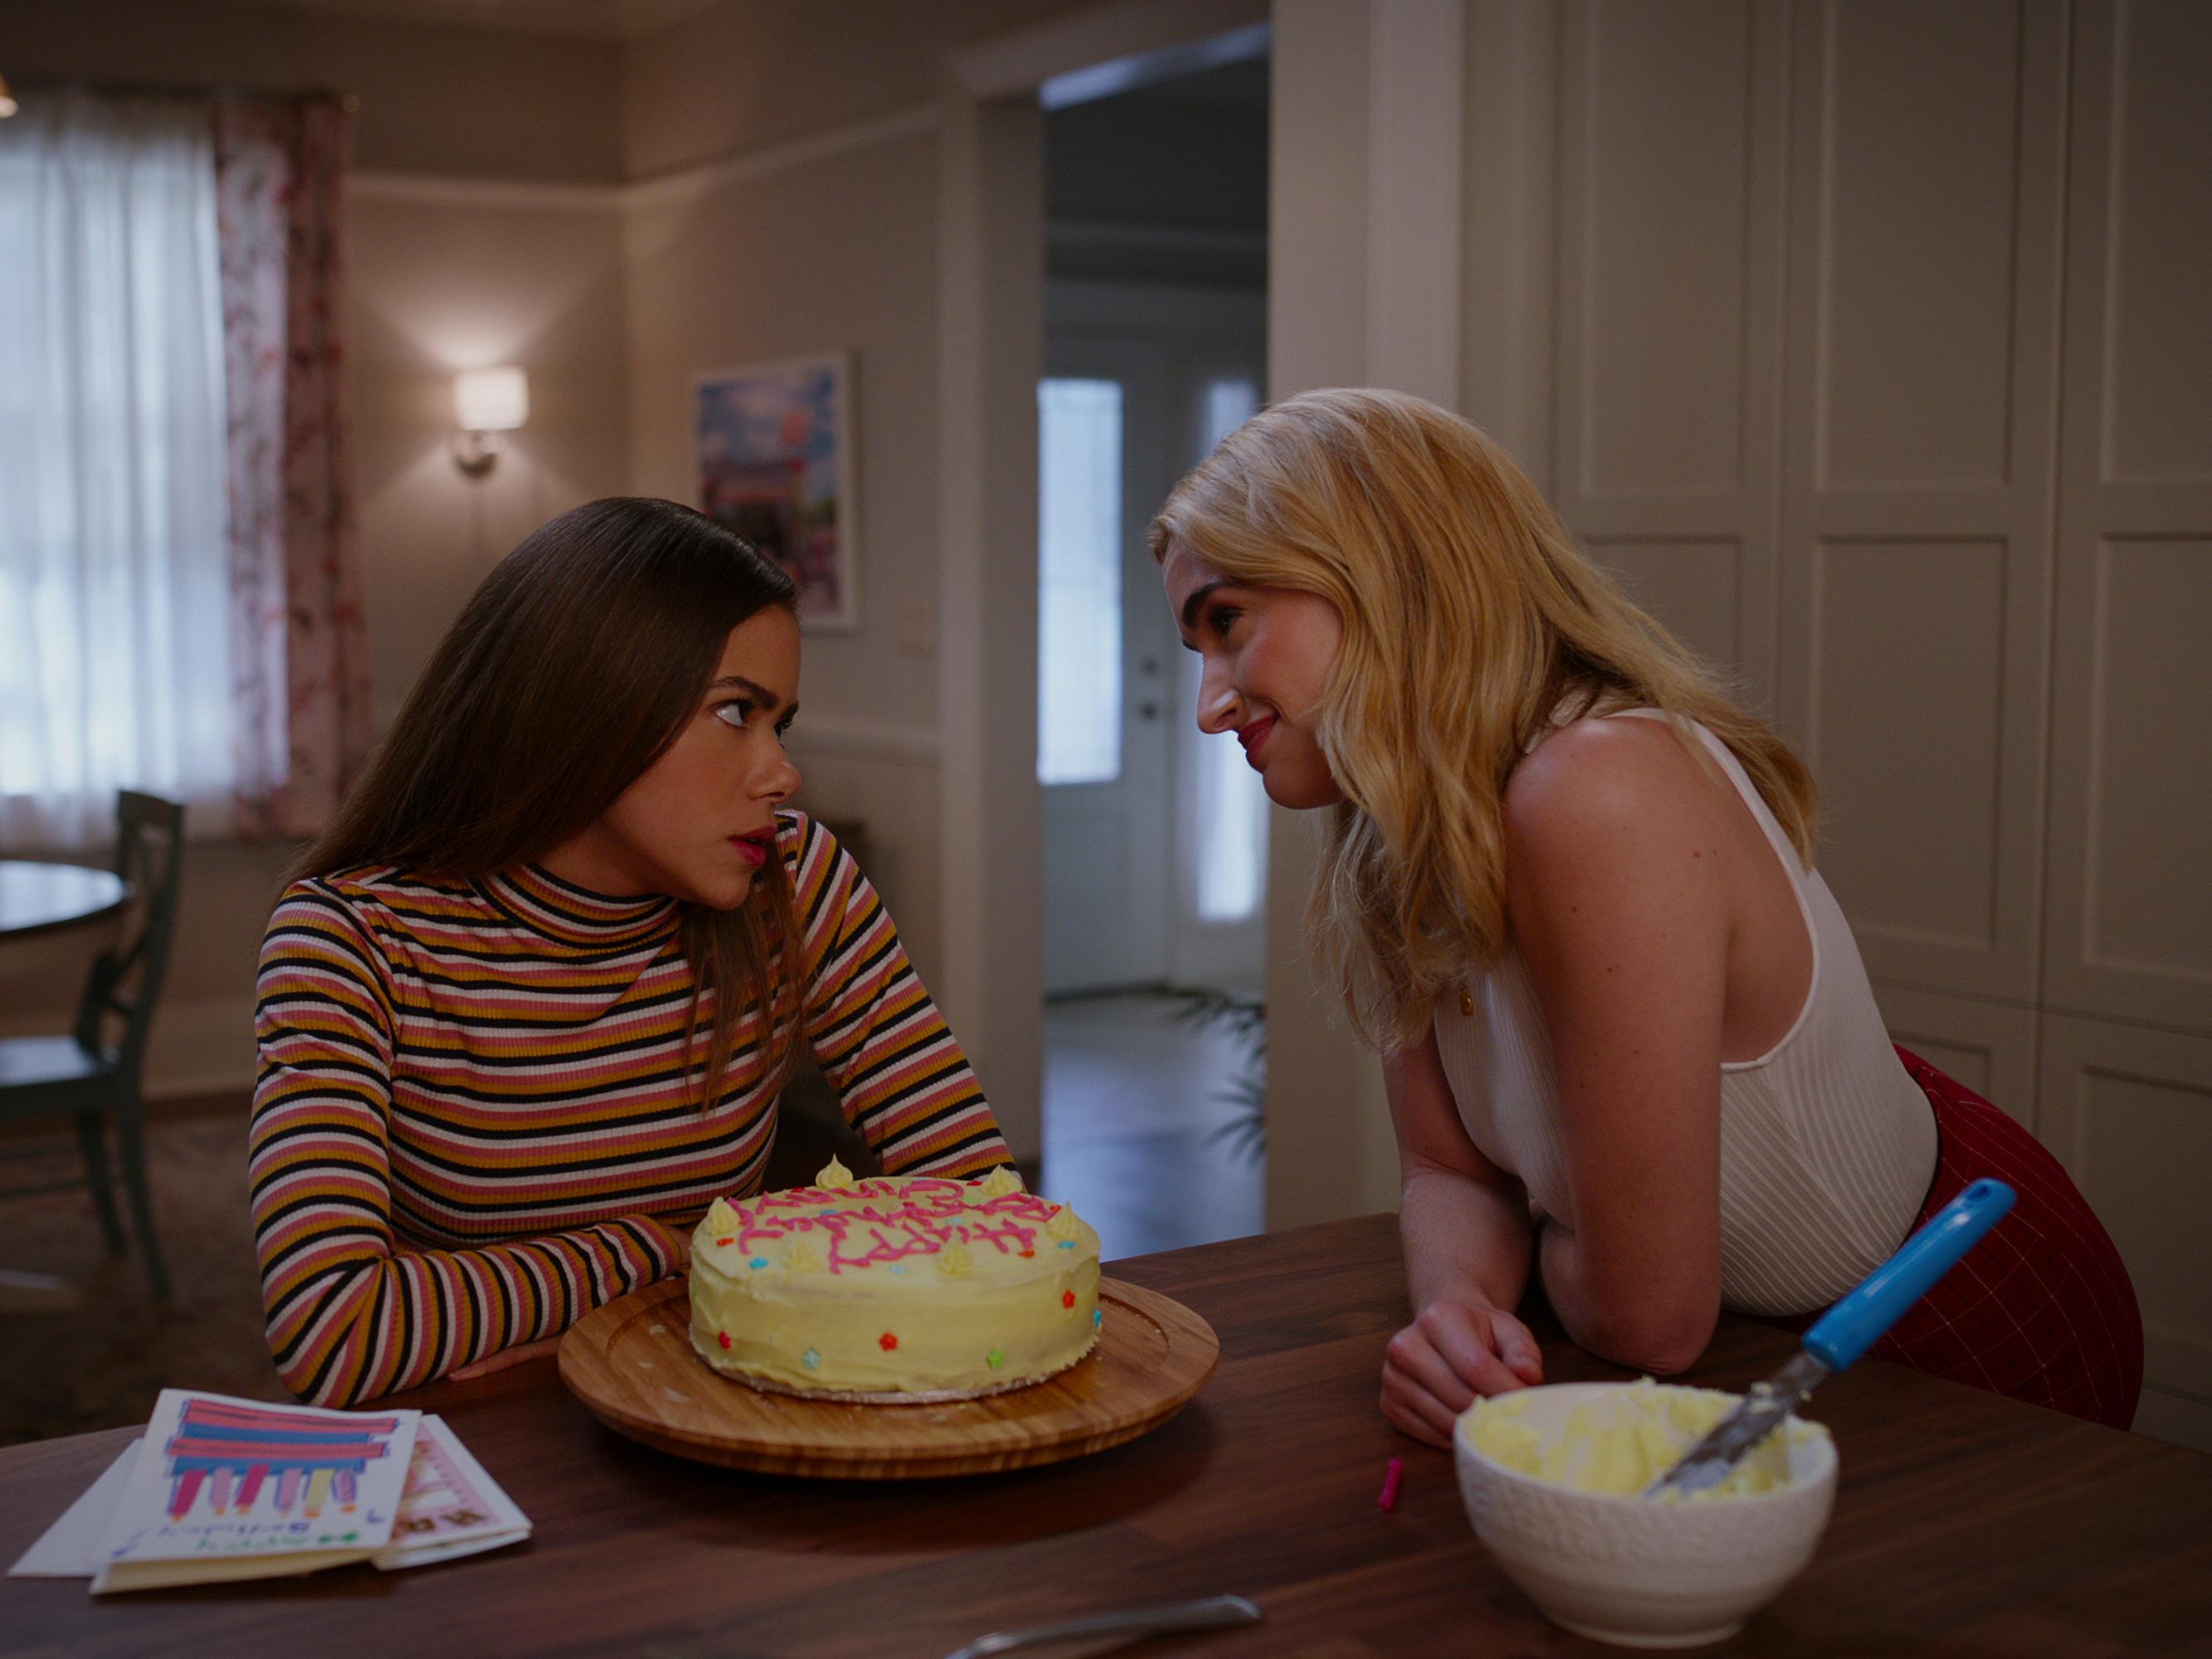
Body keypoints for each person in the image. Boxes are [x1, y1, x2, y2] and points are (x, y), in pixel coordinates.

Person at [1152, 388, 2142, 1445]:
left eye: (1226, 621)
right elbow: (1449, 1171)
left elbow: (1649, 1319)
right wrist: (1463, 1310)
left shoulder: (1599, 786)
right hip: (1756, 1352)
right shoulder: (1393, 835)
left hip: (1942, 1320)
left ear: (1387, 569)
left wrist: (1546, 1244)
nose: (1210, 701)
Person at [251, 499, 1009, 1407]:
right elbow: (332, 1332)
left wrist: (495, 1295)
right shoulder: (352, 938)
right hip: (482, 1455)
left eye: (781, 724)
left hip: (716, 1432)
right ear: (589, 708)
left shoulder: (798, 881)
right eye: (735, 712)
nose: (780, 771)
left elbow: (983, 1206)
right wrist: (658, 1252)